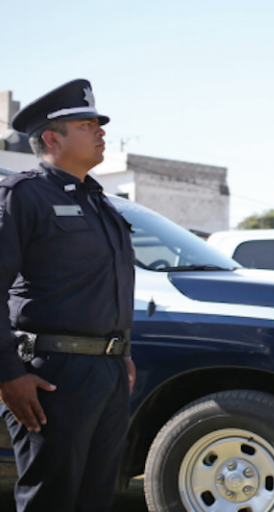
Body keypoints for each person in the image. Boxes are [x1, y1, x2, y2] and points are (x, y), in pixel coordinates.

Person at [0, 79, 136, 511]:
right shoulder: (22, 196)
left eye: (99, 123)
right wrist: (7, 374)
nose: (100, 131)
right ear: (51, 138)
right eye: (86, 124)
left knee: (95, 499)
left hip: (108, 372)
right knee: (52, 499)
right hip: (51, 374)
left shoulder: (103, 205)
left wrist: (122, 352)